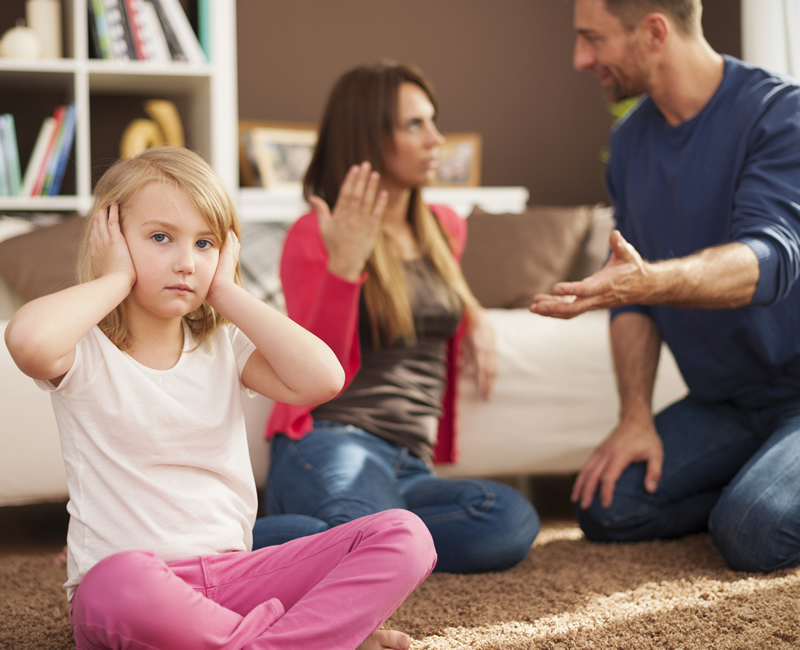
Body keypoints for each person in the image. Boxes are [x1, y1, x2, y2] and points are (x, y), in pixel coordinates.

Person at [4, 146, 437, 650]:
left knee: (406, 535)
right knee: (116, 579)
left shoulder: (223, 345)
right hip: (134, 588)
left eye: (204, 243)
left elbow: (324, 379)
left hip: (233, 583)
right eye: (160, 238)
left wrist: (227, 292)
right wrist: (115, 278)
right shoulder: (83, 349)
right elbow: (28, 342)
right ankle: (309, 640)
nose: (186, 262)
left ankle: (257, 642)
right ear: (112, 239)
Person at [530, 0, 800, 573]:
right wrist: (635, 416)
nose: (581, 59)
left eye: (592, 39)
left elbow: (770, 260)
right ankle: (762, 481)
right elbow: (629, 297)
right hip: (726, 404)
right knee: (608, 507)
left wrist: (649, 280)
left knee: (753, 533)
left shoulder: (780, 114)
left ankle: (758, 497)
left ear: (653, 31)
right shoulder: (629, 143)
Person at [252, 62, 540, 573]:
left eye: (433, 121)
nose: (436, 139)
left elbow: (436, 298)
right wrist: (345, 265)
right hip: (330, 439)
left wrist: (475, 312)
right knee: (364, 526)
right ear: (369, 137)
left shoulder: (443, 227)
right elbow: (315, 369)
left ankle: (354, 542)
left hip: (411, 463)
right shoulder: (313, 235)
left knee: (509, 520)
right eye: (415, 125)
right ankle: (195, 540)